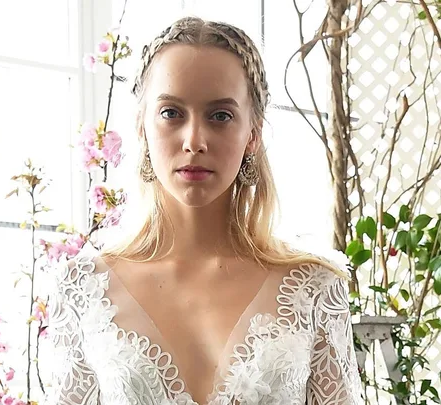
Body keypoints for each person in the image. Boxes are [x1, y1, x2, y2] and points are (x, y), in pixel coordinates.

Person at [49, 16, 362, 405]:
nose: (194, 141)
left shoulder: (314, 286)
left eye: (220, 116)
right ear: (142, 128)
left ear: (253, 134)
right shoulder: (81, 287)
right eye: (171, 113)